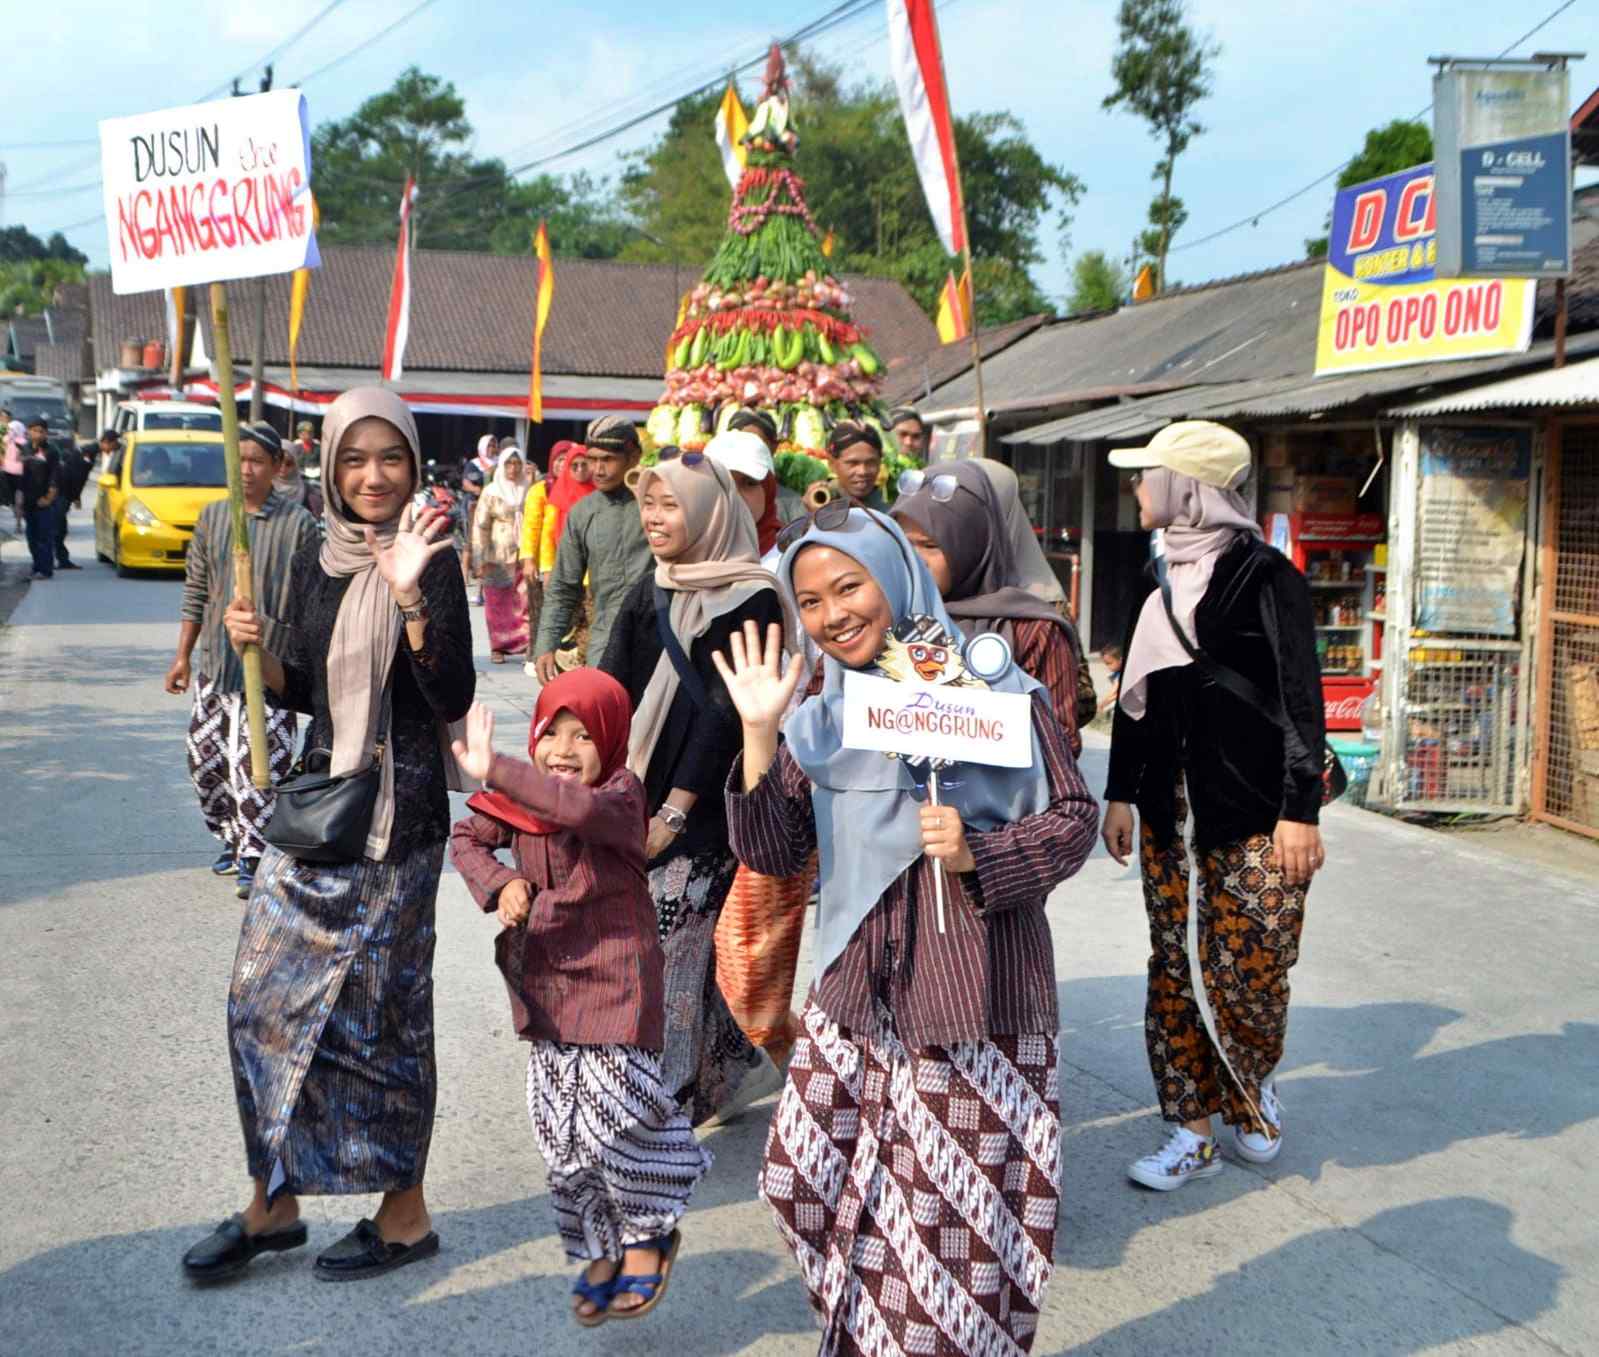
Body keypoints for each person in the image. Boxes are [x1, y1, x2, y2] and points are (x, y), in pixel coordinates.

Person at [716, 507, 1099, 1355]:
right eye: (809, 601)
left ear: (892, 578)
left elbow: (1073, 817)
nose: (831, 614)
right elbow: (774, 850)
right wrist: (755, 732)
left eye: (848, 586)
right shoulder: (819, 708)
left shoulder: (998, 693)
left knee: (944, 1228)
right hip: (855, 987)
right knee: (801, 1181)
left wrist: (979, 855)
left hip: (971, 988)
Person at [183, 386, 474, 1285]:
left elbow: (450, 696)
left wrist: (412, 598)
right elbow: (305, 685)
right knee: (259, 998)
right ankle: (274, 1201)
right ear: (332, 467)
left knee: (382, 1021)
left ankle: (404, 1213)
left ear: (413, 464)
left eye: (390, 458)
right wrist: (255, 650)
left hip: (400, 823)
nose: (373, 476)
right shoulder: (318, 553)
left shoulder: (435, 557)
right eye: (355, 458)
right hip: (320, 815)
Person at [1099, 420, 1325, 1192]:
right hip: (1169, 813)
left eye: (1147, 474)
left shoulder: (1267, 578)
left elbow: (1300, 700)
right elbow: (1140, 700)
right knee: (1174, 966)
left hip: (1257, 813)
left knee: (1253, 969)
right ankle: (1188, 1129)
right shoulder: (1154, 574)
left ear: (1187, 486)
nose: (1134, 487)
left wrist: (1302, 810)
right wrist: (1120, 793)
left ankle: (1251, 1080)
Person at [449, 680, 709, 1325]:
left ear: (612, 739)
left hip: (616, 983)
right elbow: (466, 838)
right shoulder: (514, 798)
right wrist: (502, 881)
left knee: (616, 1116)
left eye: (583, 735)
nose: (563, 750)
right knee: (561, 1130)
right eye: (551, 733)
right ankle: (600, 1241)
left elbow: (570, 808)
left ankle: (649, 1233)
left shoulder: (621, 797)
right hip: (547, 985)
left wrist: (502, 770)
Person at [598, 453, 787, 1124]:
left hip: (701, 814)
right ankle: (732, 1068)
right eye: (648, 503)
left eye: (670, 504)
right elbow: (611, 687)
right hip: (634, 798)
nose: (654, 517)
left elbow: (724, 715)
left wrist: (676, 812)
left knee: (667, 952)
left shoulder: (753, 595)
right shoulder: (653, 584)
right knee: (673, 949)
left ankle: (661, 1111)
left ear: (708, 512)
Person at [166, 422, 318, 897]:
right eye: (240, 460)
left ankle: (257, 853)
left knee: (258, 765)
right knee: (205, 761)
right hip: (215, 664)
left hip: (269, 668)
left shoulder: (299, 526)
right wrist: (183, 656)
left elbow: (311, 603)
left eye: (257, 460)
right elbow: (196, 591)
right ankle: (231, 838)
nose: (247, 470)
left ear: (278, 467)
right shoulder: (212, 518)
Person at [893, 458, 1087, 755]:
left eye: (932, 545)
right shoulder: (886, 617)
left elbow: (1062, 741)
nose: (916, 560)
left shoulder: (1032, 628)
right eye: (905, 545)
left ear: (972, 540)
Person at [532, 417, 652, 685]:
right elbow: (564, 586)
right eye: (592, 459)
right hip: (605, 640)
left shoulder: (659, 504)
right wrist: (546, 645)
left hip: (659, 641)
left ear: (633, 456)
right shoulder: (583, 513)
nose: (597, 469)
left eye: (608, 459)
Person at [474, 445, 529, 663]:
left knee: (524, 600)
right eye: (508, 463)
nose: (513, 469)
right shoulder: (492, 491)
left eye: (517, 463)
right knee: (497, 601)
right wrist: (479, 557)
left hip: (524, 551)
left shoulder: (529, 487)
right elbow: (481, 525)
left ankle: (524, 645)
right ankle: (498, 647)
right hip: (497, 552)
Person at [704, 429, 784, 556]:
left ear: (769, 491)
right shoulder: (680, 555)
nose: (736, 496)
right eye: (723, 482)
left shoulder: (792, 561)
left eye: (749, 483)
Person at [726, 408, 805, 522]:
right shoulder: (715, 499)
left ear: (773, 448)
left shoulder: (791, 503)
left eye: (757, 444)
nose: (747, 450)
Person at [518, 448, 556, 676]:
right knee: (539, 611)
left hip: (574, 565)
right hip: (543, 562)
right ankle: (534, 655)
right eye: (559, 460)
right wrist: (528, 559)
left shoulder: (583, 490)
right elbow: (531, 527)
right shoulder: (541, 490)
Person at [17, 416, 60, 581]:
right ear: (28, 432)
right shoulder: (25, 450)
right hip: (28, 501)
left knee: (44, 537)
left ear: (46, 434)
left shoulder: (52, 452)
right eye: (34, 431)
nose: (37, 434)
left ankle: (45, 570)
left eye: (41, 432)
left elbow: (55, 477)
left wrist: (49, 498)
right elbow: (20, 477)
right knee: (31, 537)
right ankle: (36, 567)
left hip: (44, 501)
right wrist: (19, 500)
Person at [461, 434, 498, 603]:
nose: (492, 448)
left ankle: (484, 588)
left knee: (488, 545)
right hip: (475, 505)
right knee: (470, 541)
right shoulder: (474, 464)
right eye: (489, 445)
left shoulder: (500, 463)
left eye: (494, 445)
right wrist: (481, 492)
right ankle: (464, 577)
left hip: (494, 507)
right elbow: (466, 484)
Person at [821, 419, 887, 510]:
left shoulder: (891, 508)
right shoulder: (820, 505)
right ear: (832, 464)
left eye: (871, 463)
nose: (862, 471)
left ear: (880, 463)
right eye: (852, 463)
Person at [273, 425, 324, 520]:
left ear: (295, 465)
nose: (282, 467)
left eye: (289, 463)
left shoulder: (309, 495)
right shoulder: (262, 488)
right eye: (279, 461)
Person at [2, 410, 23, 533]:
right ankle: (18, 517)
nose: (10, 432)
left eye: (13, 430)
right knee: (13, 501)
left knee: (19, 501)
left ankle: (18, 523)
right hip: (7, 473)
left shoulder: (23, 443)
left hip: (20, 474)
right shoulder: (4, 440)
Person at [1098, 643, 1124, 715]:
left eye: (1109, 663)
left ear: (1120, 660)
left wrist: (1102, 704)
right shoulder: (1118, 672)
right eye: (1106, 664)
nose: (1107, 667)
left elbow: (1114, 693)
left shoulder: (1122, 674)